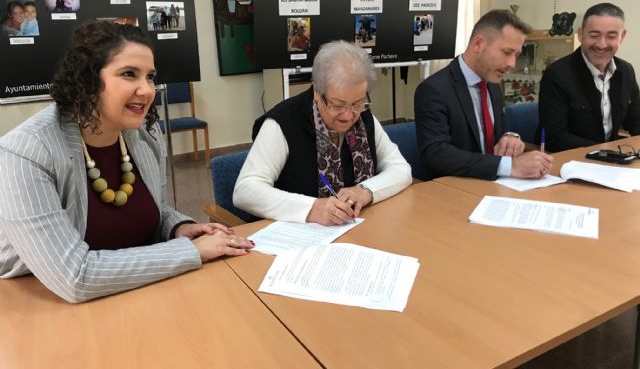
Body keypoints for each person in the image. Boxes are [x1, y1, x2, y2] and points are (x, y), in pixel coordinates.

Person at [0, 21, 253, 303]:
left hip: (133, 290)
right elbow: (74, 276)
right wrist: (193, 251)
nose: (146, 90)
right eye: (129, 74)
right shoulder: (26, 152)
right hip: (40, 302)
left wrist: (178, 227)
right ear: (88, 79)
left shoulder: (145, 133)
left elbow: (149, 207)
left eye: (150, 77)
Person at [233, 40, 412, 225]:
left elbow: (401, 169)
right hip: (297, 238)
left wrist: (365, 190)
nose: (349, 115)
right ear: (317, 92)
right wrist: (311, 208)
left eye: (357, 103)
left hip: (354, 231)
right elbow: (245, 191)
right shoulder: (282, 123)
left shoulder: (363, 118)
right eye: (338, 105)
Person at [414, 9, 552, 180]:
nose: (512, 64)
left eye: (516, 55)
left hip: (493, 186)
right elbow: (436, 154)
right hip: (453, 190)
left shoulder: (492, 82)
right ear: (478, 44)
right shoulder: (434, 89)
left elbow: (496, 134)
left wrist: (510, 137)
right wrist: (510, 166)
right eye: (507, 52)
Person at [538, 2, 640, 152]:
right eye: (594, 35)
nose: (601, 44)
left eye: (611, 36)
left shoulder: (626, 71)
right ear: (580, 34)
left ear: (622, 37)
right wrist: (606, 151)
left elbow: (636, 121)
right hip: (570, 159)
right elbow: (555, 137)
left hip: (610, 160)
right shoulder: (557, 74)